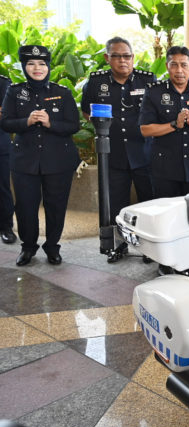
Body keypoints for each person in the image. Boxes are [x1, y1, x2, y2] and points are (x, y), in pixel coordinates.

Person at [0, 45, 80, 266]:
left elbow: (73, 125)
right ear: (24, 67)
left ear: (48, 66)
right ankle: (28, 248)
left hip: (58, 162)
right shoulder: (14, 92)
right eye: (31, 64)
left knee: (56, 206)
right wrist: (26, 121)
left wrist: (49, 122)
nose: (37, 68)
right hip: (25, 161)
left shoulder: (62, 92)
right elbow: (5, 122)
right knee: (25, 206)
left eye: (42, 64)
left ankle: (53, 247)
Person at [81, 37, 156, 262]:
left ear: (133, 57)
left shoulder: (148, 80)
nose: (123, 60)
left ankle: (148, 249)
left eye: (127, 56)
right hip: (112, 155)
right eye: (117, 56)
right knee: (117, 204)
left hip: (144, 154)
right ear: (107, 58)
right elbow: (87, 112)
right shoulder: (96, 82)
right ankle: (119, 246)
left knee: (148, 203)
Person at [139, 46, 189, 198]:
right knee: (165, 213)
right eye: (174, 65)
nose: (179, 70)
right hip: (164, 169)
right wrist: (175, 124)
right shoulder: (154, 92)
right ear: (167, 67)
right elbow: (145, 130)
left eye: (184, 65)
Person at [0, 74, 16, 245]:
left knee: (2, 188)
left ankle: (6, 227)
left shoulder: (3, 83)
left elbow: (4, 113)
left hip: (0, 146)